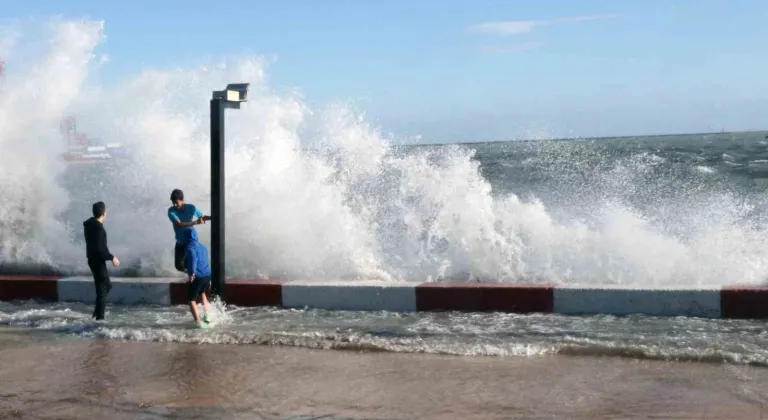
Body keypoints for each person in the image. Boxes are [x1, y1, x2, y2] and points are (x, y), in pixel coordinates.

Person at [83, 201, 120, 321]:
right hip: (98, 261)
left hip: (93, 260)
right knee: (104, 289)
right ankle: (100, 318)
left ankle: (97, 312)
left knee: (105, 287)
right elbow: (100, 249)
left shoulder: (90, 224)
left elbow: (101, 246)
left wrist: (108, 254)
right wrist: (112, 257)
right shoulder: (99, 229)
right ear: (104, 213)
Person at [167, 189, 209, 273]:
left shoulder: (191, 208)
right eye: (173, 203)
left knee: (191, 263)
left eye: (177, 203)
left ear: (182, 200)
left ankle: (197, 277)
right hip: (180, 242)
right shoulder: (171, 211)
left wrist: (212, 217)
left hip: (190, 240)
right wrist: (195, 222)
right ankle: (193, 275)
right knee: (179, 266)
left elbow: (202, 217)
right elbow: (179, 224)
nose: (175, 205)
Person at [183, 227, 213, 328]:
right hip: (207, 275)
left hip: (198, 276)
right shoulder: (203, 247)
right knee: (202, 293)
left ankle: (198, 322)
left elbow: (193, 258)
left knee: (191, 300)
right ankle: (207, 316)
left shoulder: (191, 247)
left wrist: (191, 272)